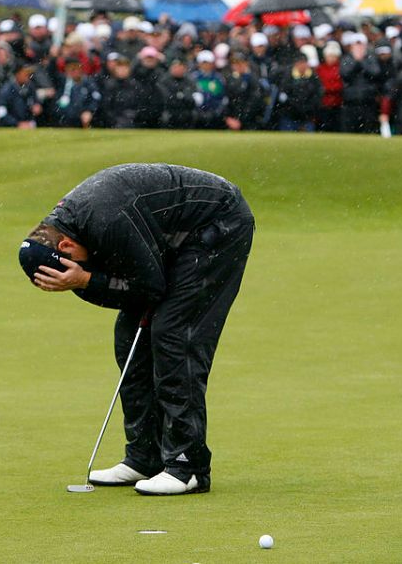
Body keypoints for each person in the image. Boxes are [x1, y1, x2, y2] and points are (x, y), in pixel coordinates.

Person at [19, 163, 255, 495]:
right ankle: (145, 456)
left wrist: (86, 279)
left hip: (218, 224)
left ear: (65, 249)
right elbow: (126, 291)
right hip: (174, 239)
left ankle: (188, 466)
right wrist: (89, 280)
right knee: (129, 335)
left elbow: (149, 288)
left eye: (76, 268)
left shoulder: (105, 221)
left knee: (174, 334)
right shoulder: (72, 227)